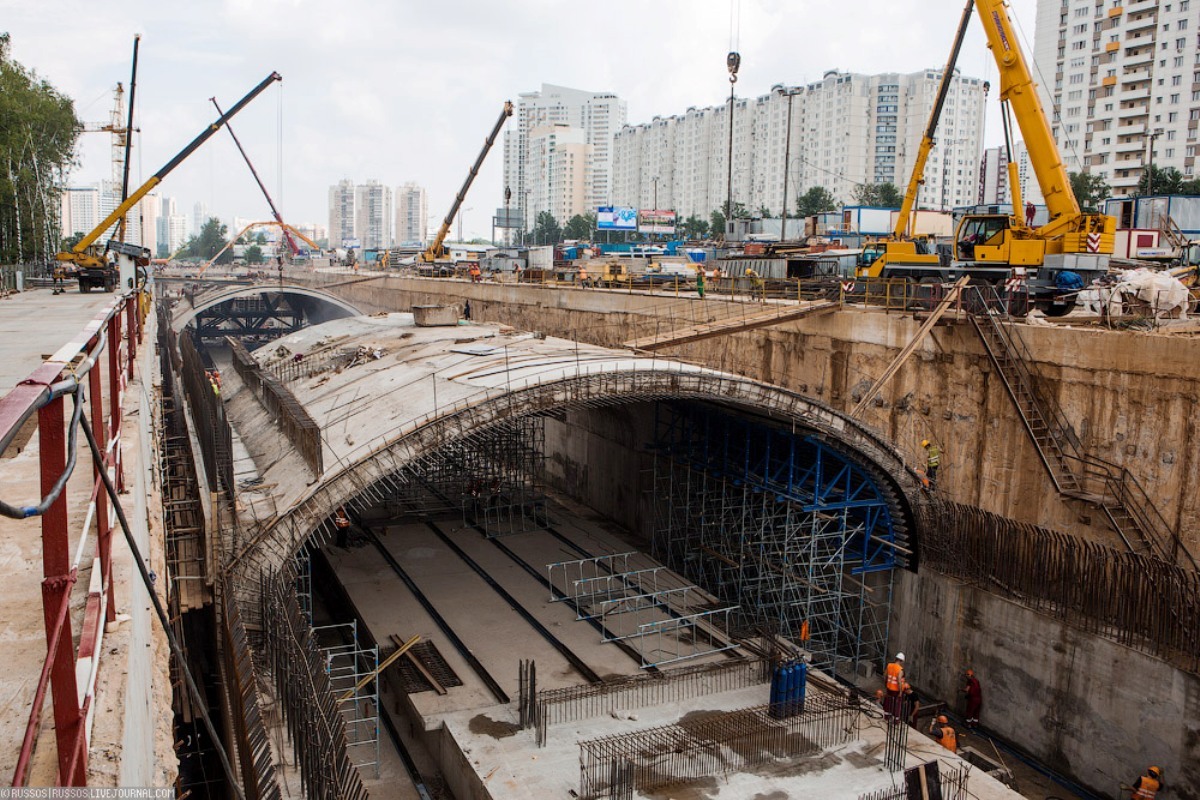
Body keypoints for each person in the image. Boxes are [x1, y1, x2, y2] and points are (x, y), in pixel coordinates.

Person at [883, 652, 906, 720]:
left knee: (888, 702)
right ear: (901, 661)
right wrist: (900, 691)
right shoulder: (900, 669)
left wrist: (886, 684)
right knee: (897, 704)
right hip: (896, 690)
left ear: (896, 658)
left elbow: (885, 676)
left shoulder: (889, 665)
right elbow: (899, 679)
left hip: (889, 688)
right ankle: (896, 720)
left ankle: (887, 716)